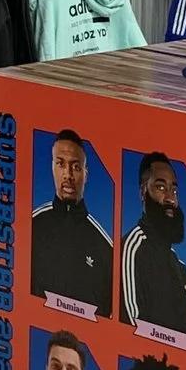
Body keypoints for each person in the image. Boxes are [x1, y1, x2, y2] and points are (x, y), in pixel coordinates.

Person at [28, 130, 113, 316]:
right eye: (61, 164)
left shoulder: (104, 246)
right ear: (52, 168)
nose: (68, 175)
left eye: (76, 167)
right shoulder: (31, 227)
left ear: (85, 174)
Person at [118, 151, 186, 342]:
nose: (170, 198)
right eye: (161, 187)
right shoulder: (130, 250)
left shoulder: (181, 270)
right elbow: (130, 327)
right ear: (143, 193)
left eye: (174, 190)